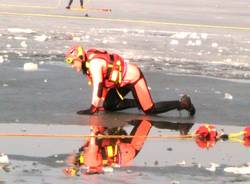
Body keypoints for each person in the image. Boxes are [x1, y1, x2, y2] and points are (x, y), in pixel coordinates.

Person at [64, 45, 196, 116]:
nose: (73, 66)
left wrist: (93, 107)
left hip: (133, 78)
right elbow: (103, 86)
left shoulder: (94, 64)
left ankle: (183, 104)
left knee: (150, 110)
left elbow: (98, 85)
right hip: (122, 82)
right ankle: (139, 102)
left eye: (73, 62)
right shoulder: (88, 64)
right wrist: (99, 104)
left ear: (80, 58)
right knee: (109, 106)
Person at [64, 119, 152, 175]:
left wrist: (97, 126)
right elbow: (95, 140)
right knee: (147, 123)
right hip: (127, 151)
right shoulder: (89, 159)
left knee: (104, 133)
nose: (71, 154)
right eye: (70, 157)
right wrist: (94, 130)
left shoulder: (85, 154)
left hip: (121, 148)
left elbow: (92, 141)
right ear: (77, 159)